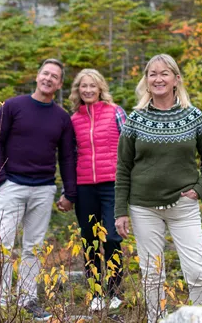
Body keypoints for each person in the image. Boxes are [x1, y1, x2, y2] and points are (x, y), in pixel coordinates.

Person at [114, 54, 202, 323]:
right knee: (152, 273)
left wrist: (199, 189)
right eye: (152, 74)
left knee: (196, 271)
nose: (158, 79)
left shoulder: (193, 116)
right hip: (143, 207)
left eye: (164, 73)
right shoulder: (135, 119)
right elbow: (123, 167)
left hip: (183, 206)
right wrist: (120, 211)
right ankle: (156, 320)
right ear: (146, 81)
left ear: (176, 79)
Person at [0, 58, 78, 321]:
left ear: (59, 84)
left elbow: (67, 157)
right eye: (45, 73)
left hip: (43, 189)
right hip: (12, 186)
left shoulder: (62, 118)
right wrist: (0, 177)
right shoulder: (13, 107)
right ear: (37, 76)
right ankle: (1, 299)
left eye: (54, 76)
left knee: (33, 247)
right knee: (2, 245)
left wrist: (69, 192)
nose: (48, 78)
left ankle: (27, 299)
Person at [68, 69, 128, 312]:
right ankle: (95, 293)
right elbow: (70, 155)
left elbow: (128, 147)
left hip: (112, 185)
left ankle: (114, 291)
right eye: (84, 86)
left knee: (112, 237)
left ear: (101, 88)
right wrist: (68, 189)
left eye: (93, 85)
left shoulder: (116, 112)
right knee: (89, 241)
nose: (88, 90)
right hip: (85, 187)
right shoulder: (73, 120)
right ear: (78, 90)